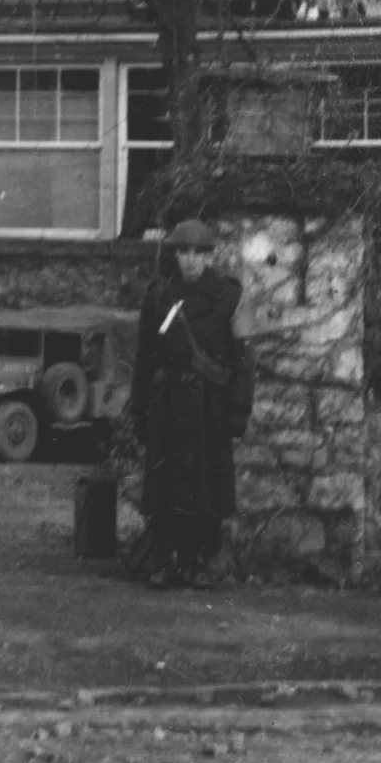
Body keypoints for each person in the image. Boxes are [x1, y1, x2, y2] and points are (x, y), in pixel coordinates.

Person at [128, 216, 252, 586]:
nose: (191, 260)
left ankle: (201, 562)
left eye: (199, 252)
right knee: (166, 487)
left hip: (208, 408)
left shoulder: (232, 297)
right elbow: (145, 356)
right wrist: (139, 409)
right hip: (167, 405)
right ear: (175, 255)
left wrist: (238, 410)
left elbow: (245, 359)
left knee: (206, 489)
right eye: (184, 251)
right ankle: (167, 561)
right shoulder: (159, 297)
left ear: (211, 256)